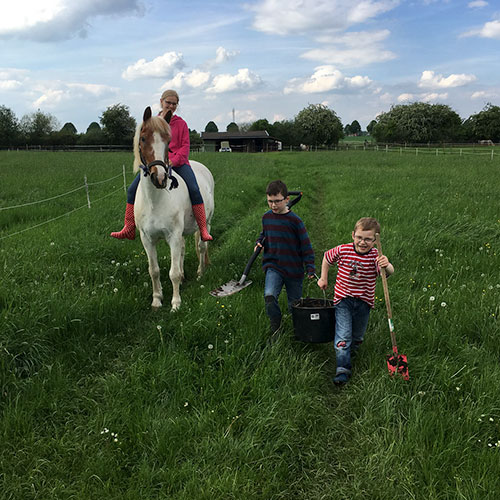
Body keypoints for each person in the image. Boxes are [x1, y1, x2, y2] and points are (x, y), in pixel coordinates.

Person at [111, 89, 213, 241]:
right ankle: (129, 226)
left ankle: (203, 228)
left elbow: (184, 148)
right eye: (168, 103)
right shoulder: (152, 123)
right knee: (132, 190)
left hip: (178, 164)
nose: (171, 106)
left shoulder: (181, 124)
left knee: (194, 188)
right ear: (161, 102)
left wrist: (173, 161)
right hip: (155, 164)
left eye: (174, 104)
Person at [317, 217, 394, 386]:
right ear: (353, 235)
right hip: (343, 299)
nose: (363, 242)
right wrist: (323, 278)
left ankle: (352, 349)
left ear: (375, 240)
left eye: (368, 239)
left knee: (357, 334)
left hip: (364, 301)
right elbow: (326, 258)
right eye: (359, 237)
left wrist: (386, 264)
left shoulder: (376, 256)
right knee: (344, 335)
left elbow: (388, 272)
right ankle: (343, 369)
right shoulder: (343, 250)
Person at [255, 180, 315, 336]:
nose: (273, 205)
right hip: (273, 266)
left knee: (294, 305)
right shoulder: (266, 218)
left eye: (277, 201)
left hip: (294, 269)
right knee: (269, 296)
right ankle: (276, 326)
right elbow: (264, 235)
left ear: (287, 199)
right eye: (270, 202)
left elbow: (306, 245)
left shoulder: (295, 221)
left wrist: (310, 267)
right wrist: (258, 243)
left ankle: (300, 332)